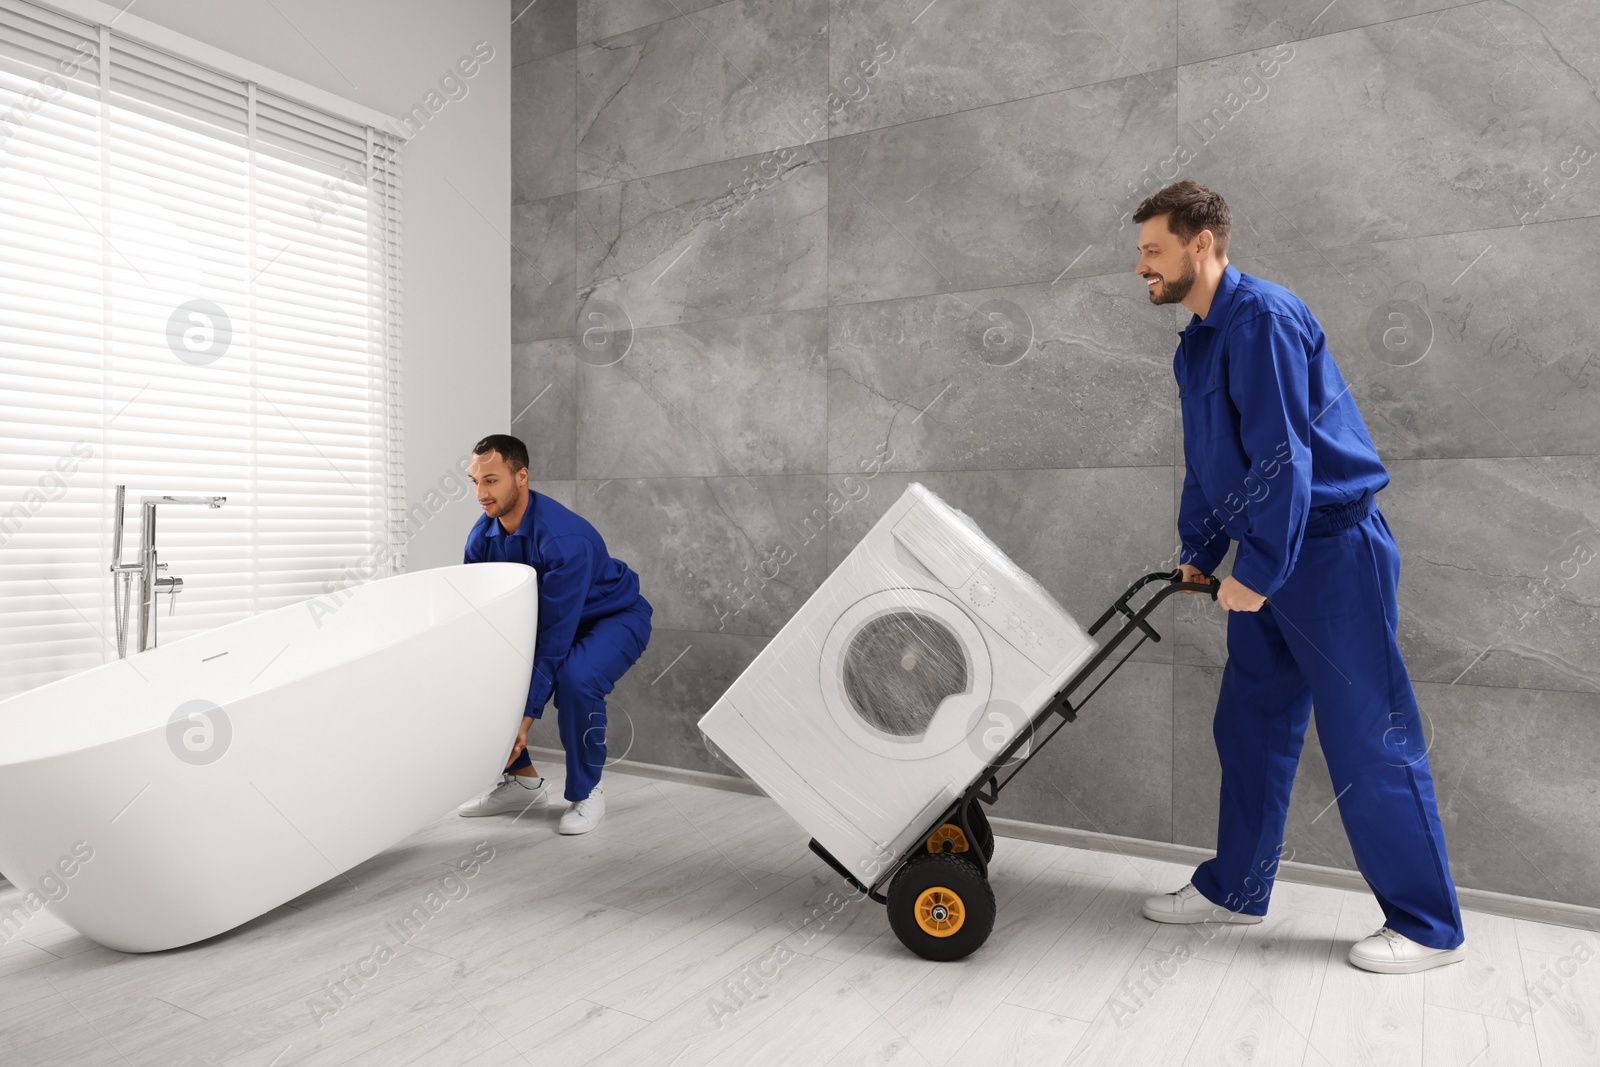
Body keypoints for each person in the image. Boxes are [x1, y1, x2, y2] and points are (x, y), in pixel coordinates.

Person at [1131, 180, 1466, 974]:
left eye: (1152, 249)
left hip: (1327, 553)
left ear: (1201, 243)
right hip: (1262, 557)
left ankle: (1427, 927)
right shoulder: (1197, 340)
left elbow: (1286, 453)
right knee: (1249, 727)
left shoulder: (1267, 318)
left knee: (1367, 736)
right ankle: (1234, 889)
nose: (1140, 265)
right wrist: (1200, 549)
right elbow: (1212, 459)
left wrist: (1264, 568)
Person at [455, 434, 652, 834]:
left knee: (576, 679)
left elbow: (554, 638)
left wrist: (525, 719)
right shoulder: (482, 537)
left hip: (612, 617)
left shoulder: (565, 540)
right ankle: (522, 781)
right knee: (482, 670)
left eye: (491, 480)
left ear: (521, 476)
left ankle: (587, 791)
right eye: (475, 481)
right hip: (554, 622)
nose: (481, 493)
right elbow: (482, 619)